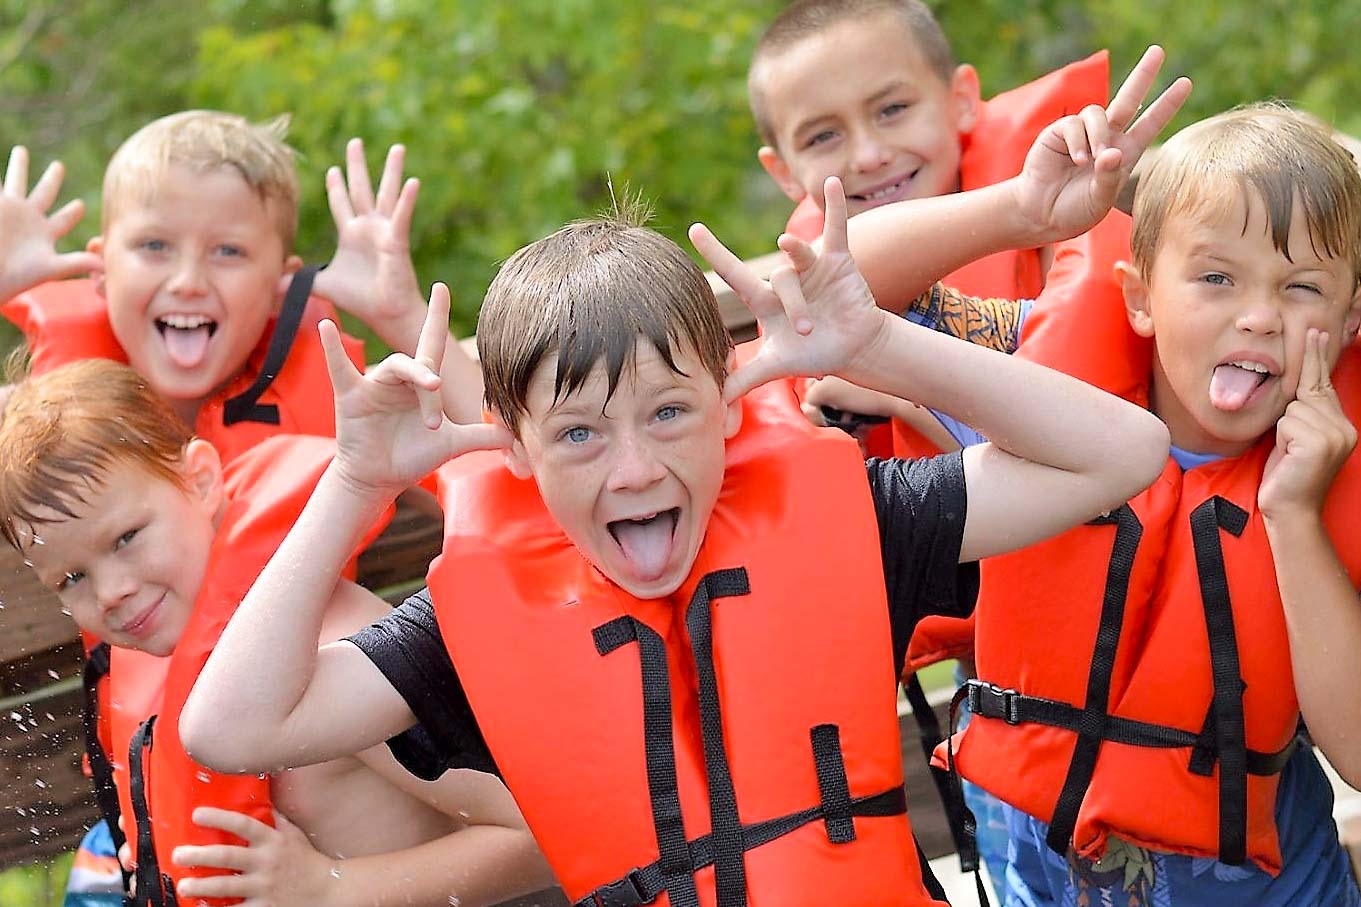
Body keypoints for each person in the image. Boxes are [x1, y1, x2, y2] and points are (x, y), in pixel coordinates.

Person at [178, 59, 1185, 904]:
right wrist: (355, 480)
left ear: (730, 404)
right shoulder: (469, 627)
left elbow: (1121, 453)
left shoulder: (854, 526)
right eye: (579, 434)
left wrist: (876, 343)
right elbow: (227, 727)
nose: (633, 468)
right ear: (514, 452)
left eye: (667, 413)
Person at [847, 102, 1361, 905]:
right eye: (1215, 277)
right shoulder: (1033, 375)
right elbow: (841, 286)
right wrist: (1018, 209)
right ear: (1139, 296)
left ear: (1349, 319)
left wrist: (1293, 514)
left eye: (1300, 288)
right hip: (1037, 873)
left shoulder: (1339, 474)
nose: (1259, 316)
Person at [0, 357, 552, 907]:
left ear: (201, 482)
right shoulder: (161, 666)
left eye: (126, 538)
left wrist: (330, 889)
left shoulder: (333, 648)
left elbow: (539, 836)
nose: (110, 591)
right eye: (71, 579)